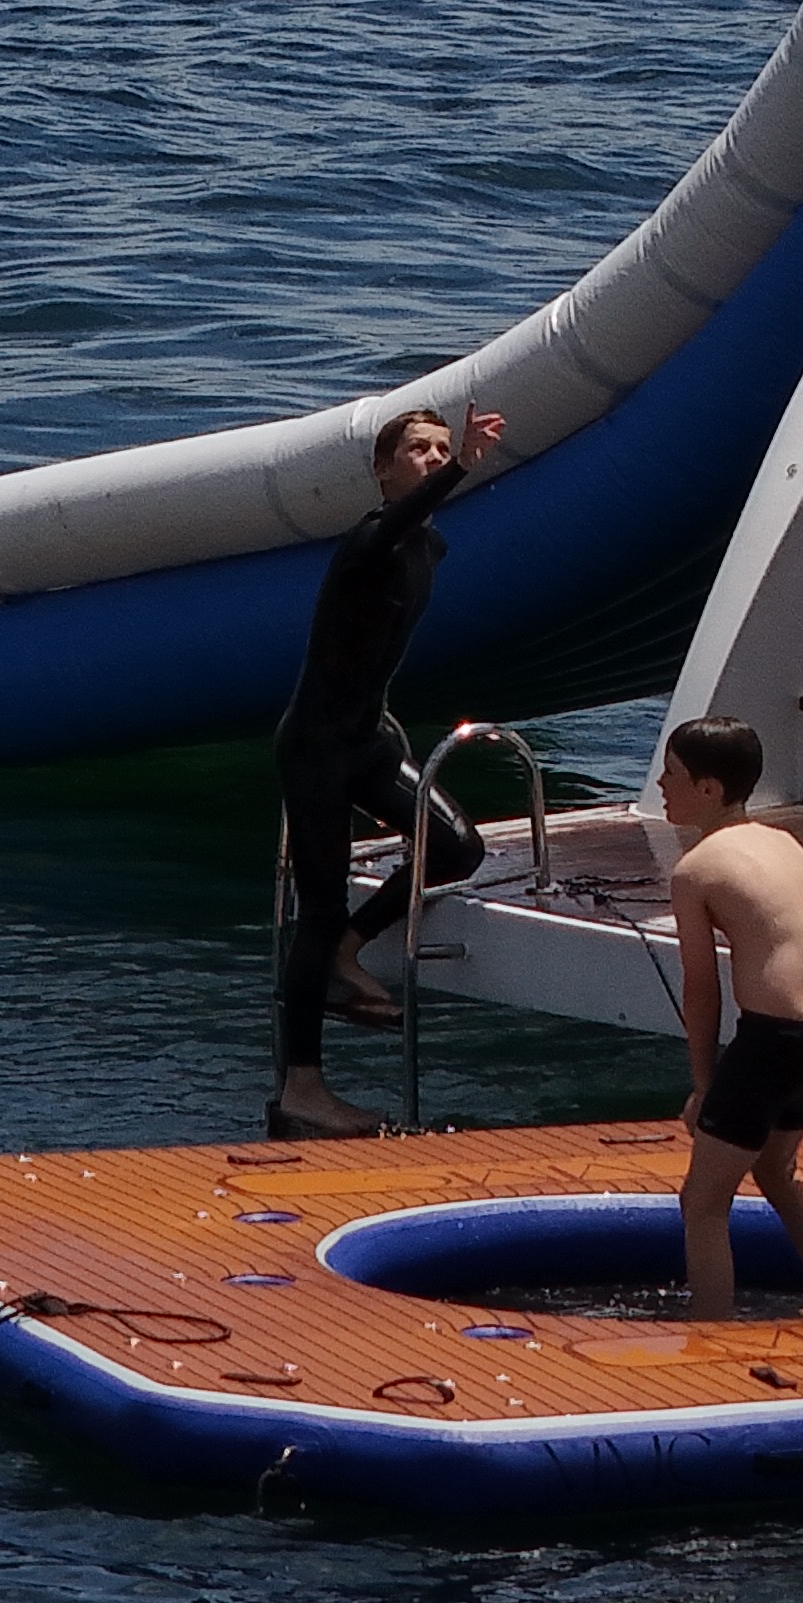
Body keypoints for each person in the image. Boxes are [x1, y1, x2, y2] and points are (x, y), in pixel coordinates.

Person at [259, 401, 500, 1139]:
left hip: (367, 739)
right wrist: (463, 466)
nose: (432, 458)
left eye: (441, 450)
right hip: (316, 748)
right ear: (382, 469)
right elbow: (398, 523)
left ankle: (349, 946)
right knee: (316, 909)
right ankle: (302, 1090)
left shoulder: (430, 546)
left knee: (456, 849)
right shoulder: (370, 539)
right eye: (418, 449)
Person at [656, 720, 803, 1314]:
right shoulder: (785, 843)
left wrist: (704, 1087)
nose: (662, 785)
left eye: (671, 774)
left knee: (702, 1202)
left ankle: (710, 1336)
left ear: (709, 789)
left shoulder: (696, 869)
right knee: (777, 1174)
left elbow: (701, 989)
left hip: (774, 1040)